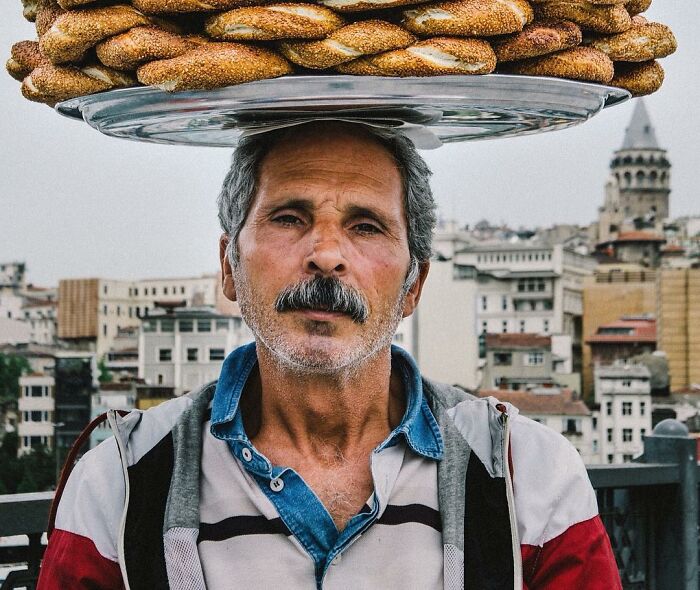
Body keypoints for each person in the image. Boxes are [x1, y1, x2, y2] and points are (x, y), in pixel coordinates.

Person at [37, 121, 621, 590]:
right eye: (289, 218)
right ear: (228, 267)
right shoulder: (120, 483)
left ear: (413, 285)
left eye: (365, 226)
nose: (325, 254)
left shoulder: (528, 478)